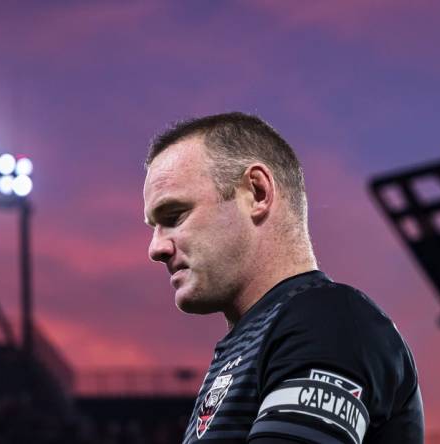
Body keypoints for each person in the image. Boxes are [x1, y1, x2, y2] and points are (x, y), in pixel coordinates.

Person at [142, 112, 424, 444]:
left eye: (174, 216)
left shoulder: (328, 320)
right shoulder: (259, 340)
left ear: (258, 193)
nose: (156, 248)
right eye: (153, 227)